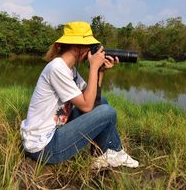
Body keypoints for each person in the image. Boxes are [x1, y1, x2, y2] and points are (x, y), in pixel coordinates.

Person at [20, 21, 138, 169]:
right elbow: (87, 106)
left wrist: (100, 71)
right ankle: (113, 152)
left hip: (56, 130)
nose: (91, 51)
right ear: (78, 47)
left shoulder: (70, 70)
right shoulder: (57, 68)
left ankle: (102, 154)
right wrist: (93, 68)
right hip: (44, 148)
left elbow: (92, 100)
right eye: (89, 47)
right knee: (108, 112)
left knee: (102, 101)